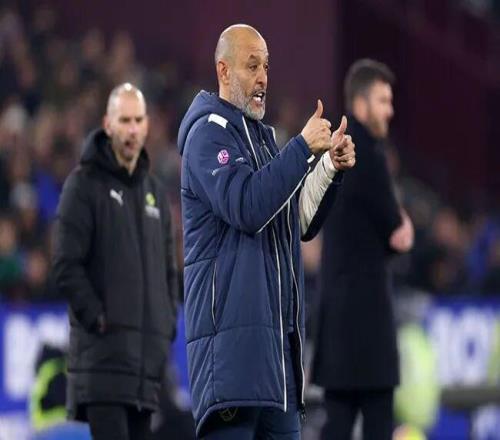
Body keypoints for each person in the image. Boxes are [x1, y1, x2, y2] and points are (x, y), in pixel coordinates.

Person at [177, 24, 356, 439]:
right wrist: (300, 148)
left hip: (277, 364)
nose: (263, 78)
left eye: (267, 67)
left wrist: (328, 167)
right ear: (224, 71)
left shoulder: (261, 141)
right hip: (232, 366)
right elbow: (248, 207)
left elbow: (295, 224)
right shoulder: (208, 135)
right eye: (252, 66)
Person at [52, 83, 178, 440]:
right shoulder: (83, 185)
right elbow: (65, 264)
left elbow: (168, 270)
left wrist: (165, 323)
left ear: (147, 125)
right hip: (104, 363)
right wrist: (97, 316)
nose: (132, 129)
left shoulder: (154, 192)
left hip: (145, 369)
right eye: (124, 121)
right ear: (108, 124)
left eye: (138, 120)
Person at [311, 59, 414, 440]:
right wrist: (402, 223)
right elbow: (398, 233)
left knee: (337, 421)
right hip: (368, 323)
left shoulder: (332, 151)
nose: (390, 110)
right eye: (383, 100)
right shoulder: (369, 153)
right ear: (360, 103)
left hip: (335, 318)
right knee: (377, 421)